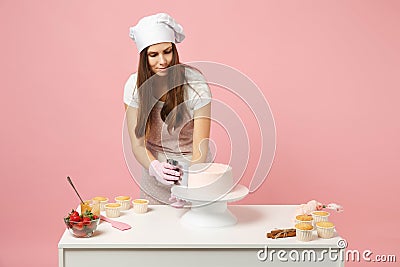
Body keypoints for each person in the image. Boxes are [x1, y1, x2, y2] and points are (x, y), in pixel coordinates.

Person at [123, 13, 212, 206]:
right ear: (143, 57)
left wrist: (188, 183)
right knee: (157, 233)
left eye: (167, 51)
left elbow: (200, 146)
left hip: (195, 169)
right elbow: (138, 145)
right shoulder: (134, 87)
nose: (163, 61)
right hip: (156, 173)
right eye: (153, 55)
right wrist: (154, 167)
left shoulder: (195, 84)